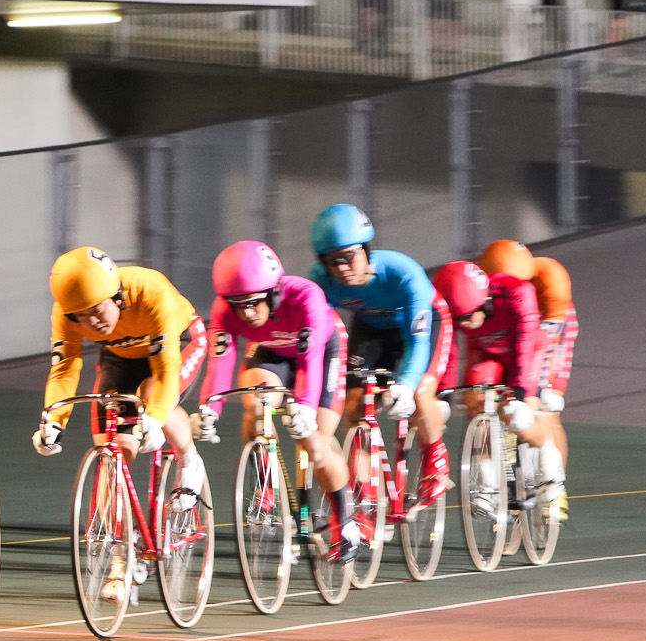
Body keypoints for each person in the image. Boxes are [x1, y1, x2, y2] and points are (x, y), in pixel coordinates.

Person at [36, 246, 209, 604]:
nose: (93, 323)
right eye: (82, 317)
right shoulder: (65, 312)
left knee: (149, 397)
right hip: (120, 355)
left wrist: (155, 419)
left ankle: (190, 459)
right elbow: (65, 368)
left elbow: (164, 374)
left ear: (116, 296)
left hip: (178, 343)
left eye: (97, 310)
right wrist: (53, 418)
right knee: (111, 450)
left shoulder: (151, 290)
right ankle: (120, 558)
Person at [193, 240, 359, 563]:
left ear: (274, 292)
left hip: (321, 353)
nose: (248, 313)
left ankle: (346, 524)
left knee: (316, 443)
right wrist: (209, 409)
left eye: (254, 303)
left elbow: (311, 360)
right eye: (238, 305)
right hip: (270, 352)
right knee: (255, 403)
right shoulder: (224, 309)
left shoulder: (306, 296)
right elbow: (221, 362)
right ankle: (266, 485)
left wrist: (307, 409)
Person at [306, 204, 453, 505]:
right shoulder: (321, 281)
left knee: (422, 393)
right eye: (332, 262)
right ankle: (364, 499)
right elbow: (320, 338)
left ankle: (435, 457)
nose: (342, 269)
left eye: (348, 257)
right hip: (371, 326)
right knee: (355, 405)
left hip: (423, 322)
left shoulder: (403, 273)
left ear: (366, 249)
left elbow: (418, 341)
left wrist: (407, 386)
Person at [431, 259, 564, 519]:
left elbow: (525, 343)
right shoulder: (453, 309)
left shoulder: (517, 292)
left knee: (520, 416)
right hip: (485, 351)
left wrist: (521, 394)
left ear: (485, 302)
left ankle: (551, 469)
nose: (464, 324)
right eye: (457, 319)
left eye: (468, 317)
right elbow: (447, 348)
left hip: (525, 349)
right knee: (475, 404)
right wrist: (444, 392)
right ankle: (487, 485)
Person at [476, 239, 574, 516]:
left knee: (544, 404)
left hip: (546, 332)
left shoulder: (552, 290)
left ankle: (554, 485)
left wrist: (544, 392)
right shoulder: (487, 291)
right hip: (512, 327)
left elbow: (544, 351)